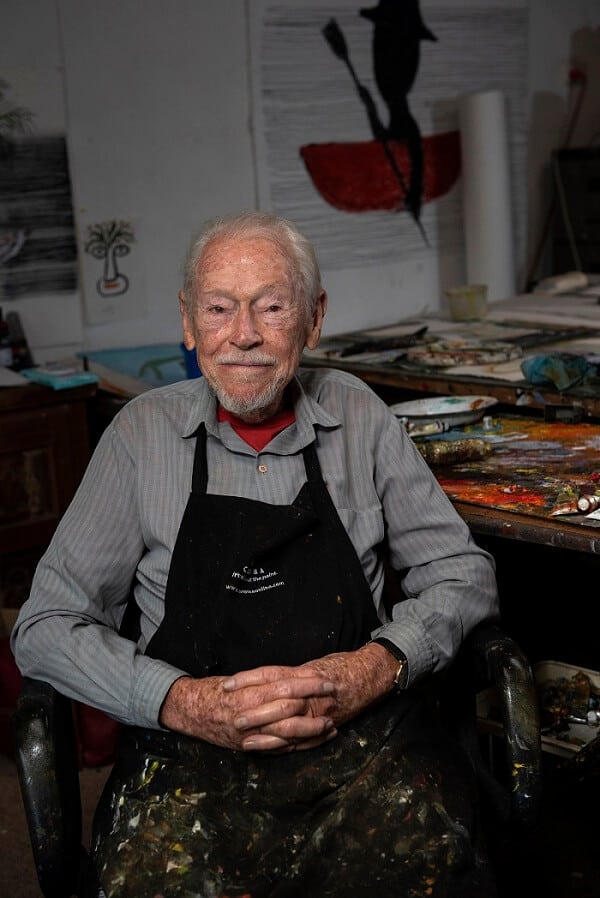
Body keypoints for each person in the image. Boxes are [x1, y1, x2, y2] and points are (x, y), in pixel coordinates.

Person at [12, 211, 500, 898]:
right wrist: (182, 701)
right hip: (186, 755)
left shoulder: (358, 416)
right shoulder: (139, 437)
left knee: (440, 867)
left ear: (313, 318)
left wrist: (375, 666)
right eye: (219, 308)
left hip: (363, 748)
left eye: (271, 307)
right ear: (188, 321)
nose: (243, 334)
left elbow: (463, 573)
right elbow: (44, 627)